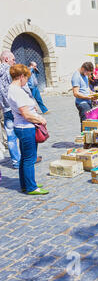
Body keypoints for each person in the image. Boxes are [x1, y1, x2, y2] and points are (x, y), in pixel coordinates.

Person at [7, 64, 49, 195]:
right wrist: (40, 119)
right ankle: (31, 187)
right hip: (26, 128)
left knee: (25, 157)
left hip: (21, 127)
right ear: (21, 76)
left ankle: (26, 184)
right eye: (26, 77)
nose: (27, 80)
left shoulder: (13, 89)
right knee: (30, 158)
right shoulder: (17, 91)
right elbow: (26, 114)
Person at [0, 50, 20, 168]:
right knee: (24, 132)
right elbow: (15, 89)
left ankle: (16, 161)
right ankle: (27, 158)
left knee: (11, 136)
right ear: (6, 59)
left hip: (5, 108)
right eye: (13, 59)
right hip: (14, 107)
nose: (14, 61)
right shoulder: (10, 71)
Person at [72, 62, 95, 131]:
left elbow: (86, 87)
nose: (89, 75)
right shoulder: (76, 77)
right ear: (83, 69)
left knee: (90, 123)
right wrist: (88, 97)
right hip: (82, 103)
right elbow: (75, 93)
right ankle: (84, 139)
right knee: (85, 124)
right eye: (88, 73)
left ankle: (88, 140)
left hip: (87, 101)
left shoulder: (84, 75)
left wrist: (93, 93)